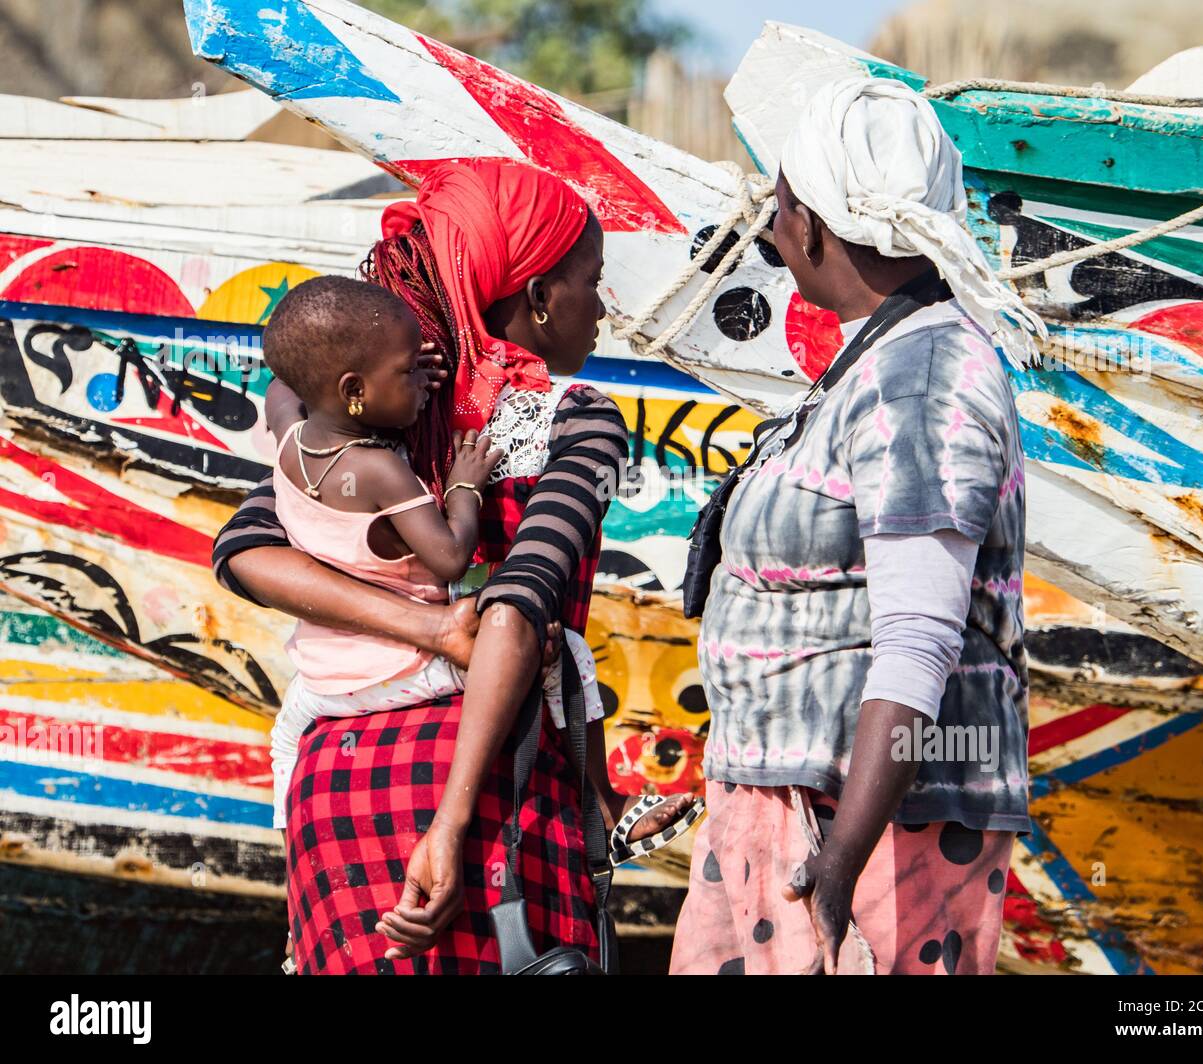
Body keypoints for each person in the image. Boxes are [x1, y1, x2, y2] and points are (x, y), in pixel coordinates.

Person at [212, 159, 694, 973]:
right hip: (489, 801)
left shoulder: (365, 413)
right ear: (538, 297)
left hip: (337, 793)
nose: (601, 306)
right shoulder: (576, 424)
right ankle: (601, 811)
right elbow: (517, 606)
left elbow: (244, 551)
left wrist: (425, 628)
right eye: (592, 281)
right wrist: (450, 822)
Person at [669, 76, 1043, 975]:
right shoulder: (881, 357)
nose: (770, 230)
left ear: (813, 225)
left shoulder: (921, 377)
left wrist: (833, 876)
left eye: (782, 205)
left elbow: (918, 640)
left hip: (870, 830)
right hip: (809, 809)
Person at [255, 276, 605, 835]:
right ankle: (603, 806)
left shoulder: (290, 436)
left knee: (283, 741)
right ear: (354, 390)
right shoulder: (379, 469)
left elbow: (283, 385)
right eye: (409, 371)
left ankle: (293, 866)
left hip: (321, 674)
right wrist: (465, 486)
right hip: (403, 662)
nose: (425, 382)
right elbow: (447, 557)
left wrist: (387, 372)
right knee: (569, 658)